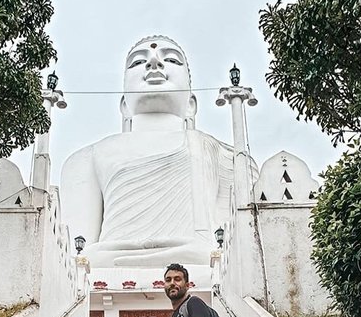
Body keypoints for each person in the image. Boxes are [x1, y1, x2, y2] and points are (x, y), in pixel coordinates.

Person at [60, 35, 258, 267]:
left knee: (213, 254)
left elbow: (234, 238)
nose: (154, 64)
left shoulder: (224, 155)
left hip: (198, 259)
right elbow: (77, 249)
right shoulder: (87, 157)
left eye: (172, 59)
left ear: (191, 104)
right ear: (124, 106)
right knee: (90, 259)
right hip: (111, 261)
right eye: (137, 62)